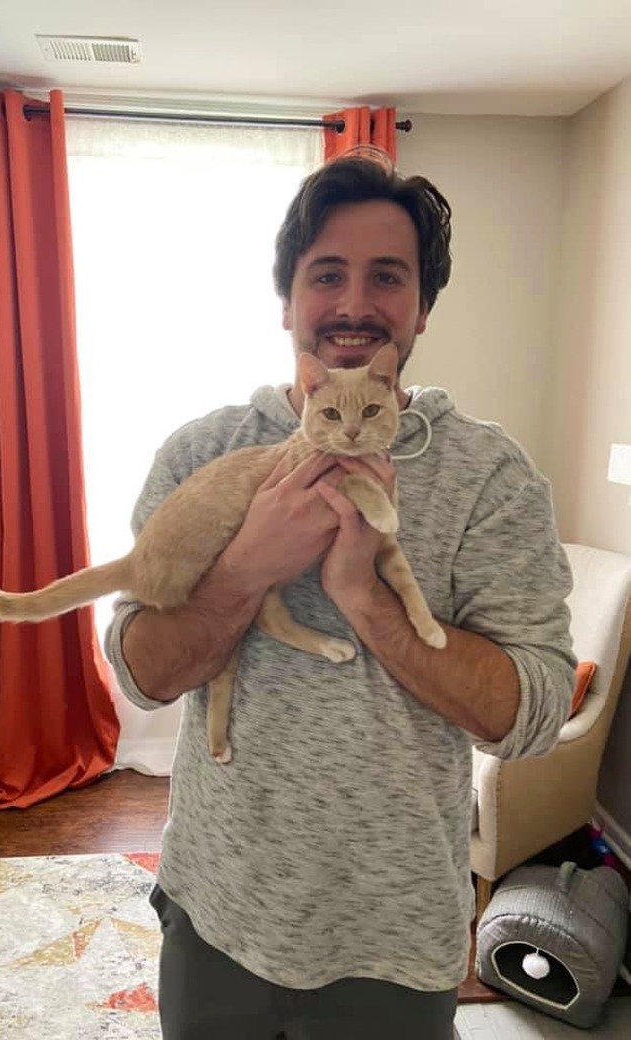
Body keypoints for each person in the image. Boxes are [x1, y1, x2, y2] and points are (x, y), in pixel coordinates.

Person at [105, 148, 576, 1039]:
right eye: (327, 274)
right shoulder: (201, 454)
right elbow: (142, 676)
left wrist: (366, 599)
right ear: (286, 299)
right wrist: (246, 566)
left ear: (422, 310)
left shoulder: (491, 477)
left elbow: (535, 713)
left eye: (387, 277)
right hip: (217, 910)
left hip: (391, 941)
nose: (355, 304)